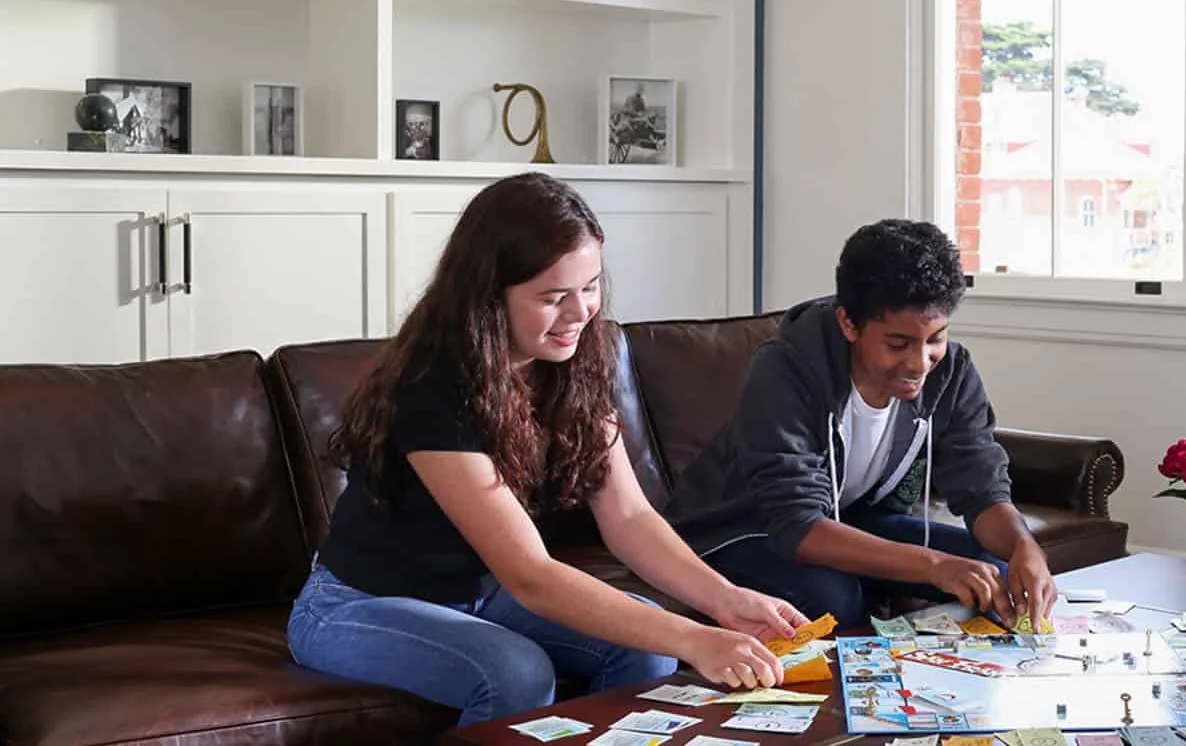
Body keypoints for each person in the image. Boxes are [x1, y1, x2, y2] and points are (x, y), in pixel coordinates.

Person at [287, 173, 809, 728]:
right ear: (488, 297)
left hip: (481, 597)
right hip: (356, 605)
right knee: (515, 673)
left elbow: (629, 516)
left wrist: (724, 600)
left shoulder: (577, 363)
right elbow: (531, 575)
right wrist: (696, 638)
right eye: (553, 297)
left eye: (589, 287)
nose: (580, 311)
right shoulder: (432, 389)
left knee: (646, 647)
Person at [663, 218, 1058, 630]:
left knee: (994, 569)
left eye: (936, 339)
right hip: (737, 530)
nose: (920, 363)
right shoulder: (785, 370)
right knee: (833, 597)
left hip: (851, 520)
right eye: (898, 344)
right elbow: (798, 524)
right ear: (849, 323)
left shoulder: (952, 374)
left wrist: (1023, 547)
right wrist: (934, 565)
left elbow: (982, 490)